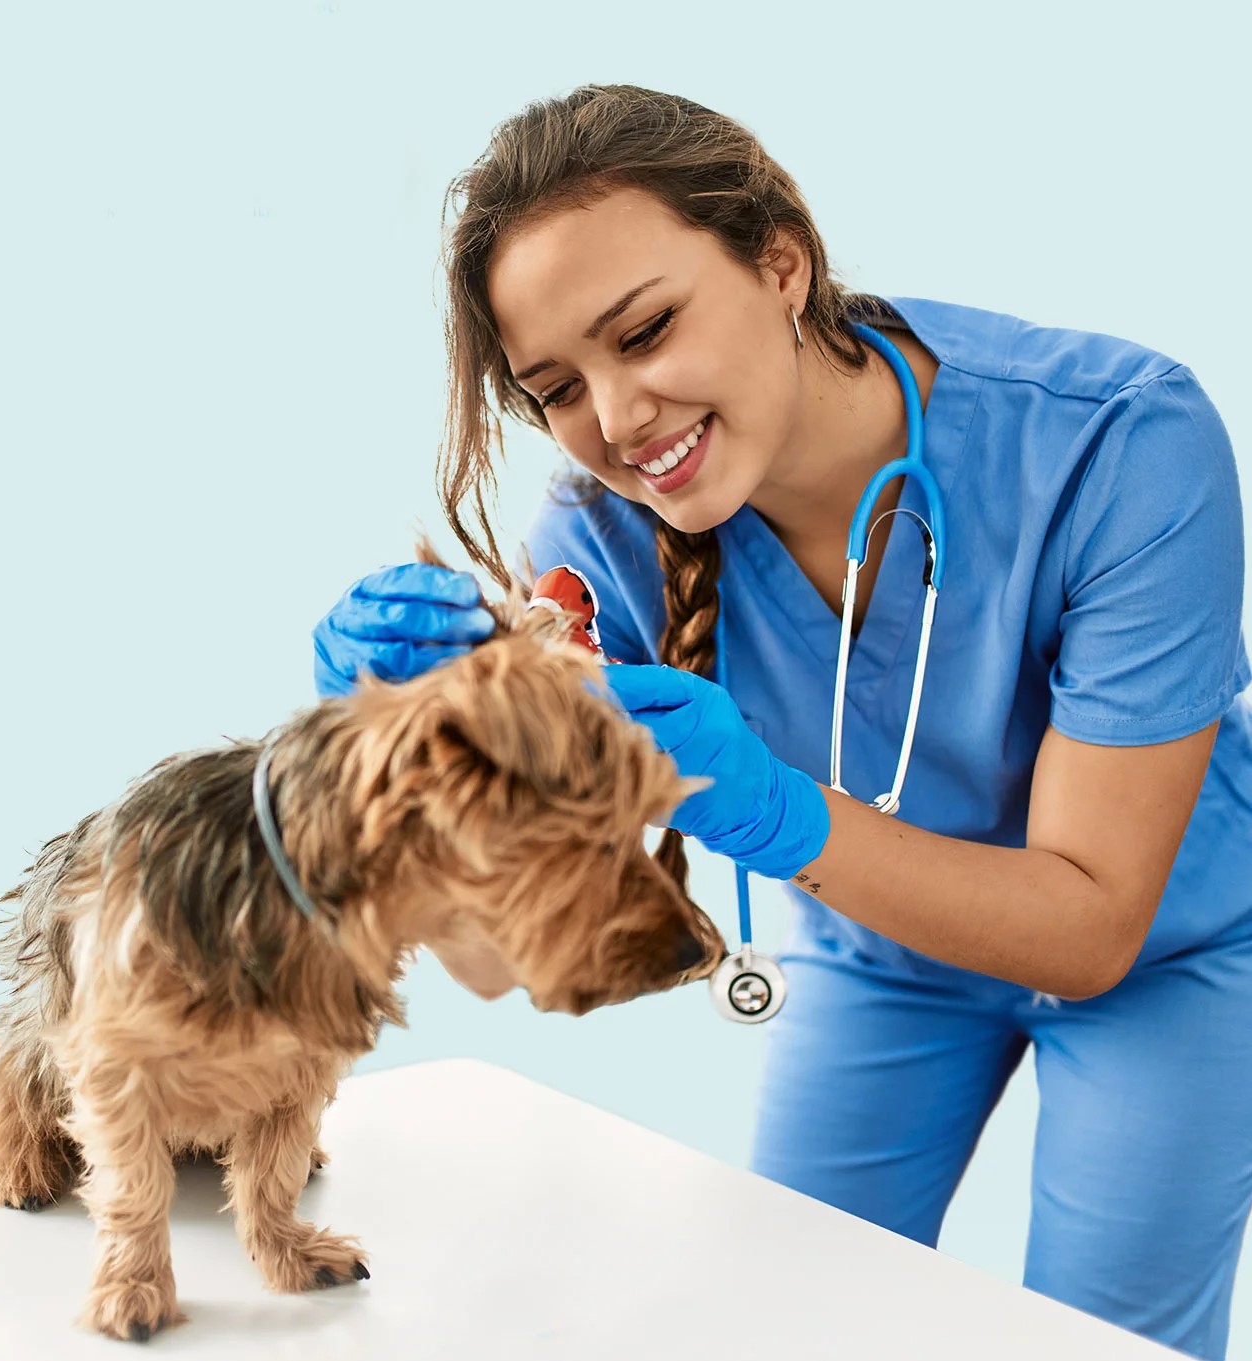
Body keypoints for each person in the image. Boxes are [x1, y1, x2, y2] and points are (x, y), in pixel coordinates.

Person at [311, 85, 1252, 1360]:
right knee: (783, 1324)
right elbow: (494, 966)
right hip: (880, 960)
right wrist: (395, 735)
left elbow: (1088, 927)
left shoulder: (1120, 444)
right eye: (557, 388)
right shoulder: (598, 552)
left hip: (1169, 960)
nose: (620, 420)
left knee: (1096, 1342)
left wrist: (774, 809)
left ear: (780, 262)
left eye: (644, 330)